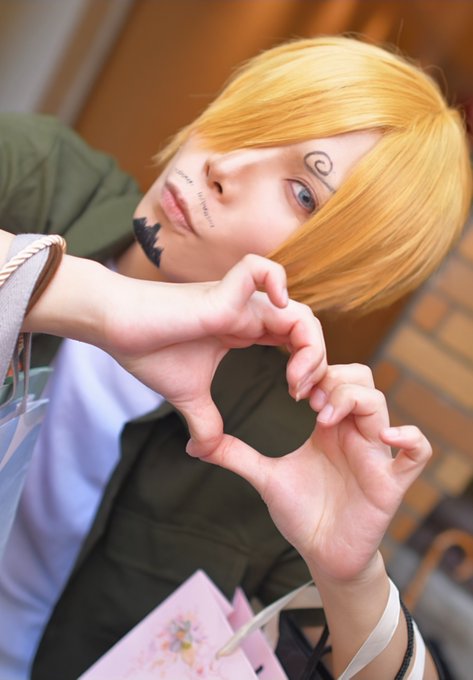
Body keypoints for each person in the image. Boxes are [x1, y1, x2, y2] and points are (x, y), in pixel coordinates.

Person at [0, 31, 469, 679]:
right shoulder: (39, 179)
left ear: (341, 271)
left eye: (302, 192)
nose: (225, 164)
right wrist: (99, 304)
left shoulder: (289, 444)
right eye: (255, 120)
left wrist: (351, 581)